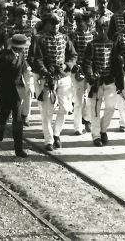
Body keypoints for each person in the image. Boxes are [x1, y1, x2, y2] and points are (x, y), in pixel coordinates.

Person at [31, 13, 76, 151]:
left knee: (65, 108)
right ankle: (49, 140)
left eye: (58, 23)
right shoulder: (39, 39)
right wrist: (45, 72)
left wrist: (66, 65)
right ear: (47, 24)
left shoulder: (65, 38)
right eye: (53, 23)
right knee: (47, 111)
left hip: (63, 77)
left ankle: (57, 133)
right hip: (47, 78)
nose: (56, 26)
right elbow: (37, 59)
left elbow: (73, 55)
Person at [82, 14, 124, 147]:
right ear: (96, 29)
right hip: (96, 83)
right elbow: (86, 64)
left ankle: (103, 129)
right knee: (95, 110)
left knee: (111, 107)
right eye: (100, 28)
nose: (103, 31)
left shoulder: (112, 45)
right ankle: (96, 136)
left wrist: (120, 83)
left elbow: (117, 65)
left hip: (109, 81)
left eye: (105, 28)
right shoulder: (91, 45)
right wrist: (91, 77)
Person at [0, 33, 30, 157]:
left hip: (16, 92)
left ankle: (19, 148)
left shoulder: (21, 55)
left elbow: (23, 68)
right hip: (4, 92)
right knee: (2, 118)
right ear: (18, 47)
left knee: (17, 120)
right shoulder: (5, 56)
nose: (24, 48)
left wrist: (28, 86)